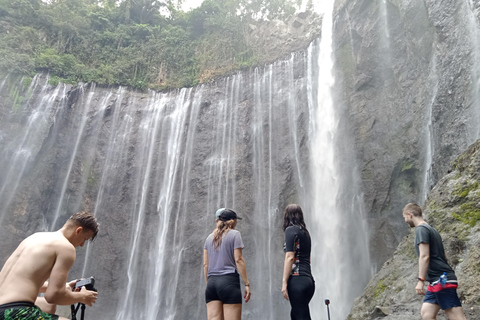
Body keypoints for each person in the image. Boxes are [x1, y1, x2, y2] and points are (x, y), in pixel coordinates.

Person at [0, 211, 99, 320]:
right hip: (14, 312)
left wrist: (65, 286)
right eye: (84, 239)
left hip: (4, 305)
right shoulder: (66, 247)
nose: (81, 245)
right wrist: (82, 297)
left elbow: (27, 279)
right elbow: (54, 296)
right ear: (78, 230)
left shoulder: (35, 237)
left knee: (48, 306)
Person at [402, 203, 467, 320]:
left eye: (405, 217)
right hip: (436, 280)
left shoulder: (421, 229)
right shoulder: (431, 229)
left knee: (457, 317)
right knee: (427, 314)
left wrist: (421, 280)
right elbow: (444, 255)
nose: (405, 221)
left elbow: (424, 255)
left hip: (441, 280)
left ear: (410, 215)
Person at [204, 208, 251, 320]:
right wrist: (247, 284)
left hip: (211, 284)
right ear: (232, 221)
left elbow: (205, 265)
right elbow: (238, 259)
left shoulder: (209, 239)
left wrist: (209, 283)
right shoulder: (235, 234)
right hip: (228, 282)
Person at [281, 204, 315, 320]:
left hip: (297, 281)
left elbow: (290, 257)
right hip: (309, 281)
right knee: (295, 315)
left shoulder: (290, 230)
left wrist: (284, 282)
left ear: (287, 216)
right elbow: (308, 259)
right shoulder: (305, 233)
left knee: (301, 316)